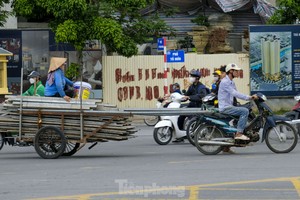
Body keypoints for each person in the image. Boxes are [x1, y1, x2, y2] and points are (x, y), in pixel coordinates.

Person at [218, 63, 257, 141]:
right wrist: (249, 97)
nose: (238, 72)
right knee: (244, 111)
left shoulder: (231, 82)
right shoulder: (225, 82)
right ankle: (239, 133)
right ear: (231, 71)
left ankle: (226, 147)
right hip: (225, 107)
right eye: (236, 71)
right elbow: (235, 93)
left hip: (229, 105)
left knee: (245, 108)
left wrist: (248, 98)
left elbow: (236, 93)